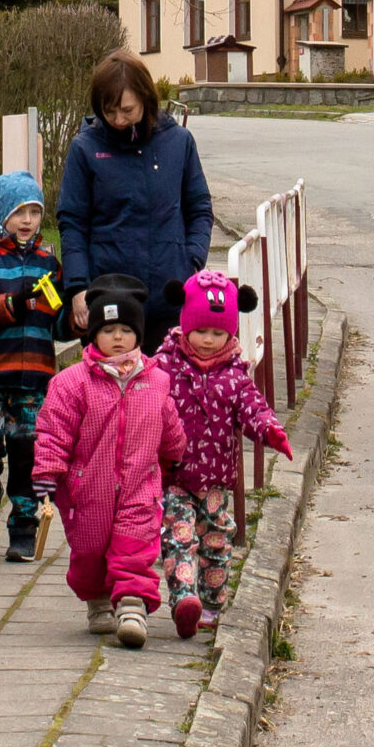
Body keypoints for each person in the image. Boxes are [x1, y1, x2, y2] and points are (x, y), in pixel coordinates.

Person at [32, 275, 185, 649]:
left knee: (134, 547)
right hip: (87, 489)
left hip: (139, 485)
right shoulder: (72, 383)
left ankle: (132, 606)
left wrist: (176, 456)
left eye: (126, 330)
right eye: (108, 330)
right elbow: (54, 430)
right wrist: (48, 472)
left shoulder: (156, 380)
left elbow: (169, 423)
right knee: (89, 553)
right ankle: (98, 598)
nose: (118, 337)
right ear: (93, 334)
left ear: (138, 334)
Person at [156, 271, 291, 638]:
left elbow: (252, 408)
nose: (208, 340)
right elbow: (146, 400)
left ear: (230, 334)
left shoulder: (235, 374)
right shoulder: (165, 366)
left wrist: (270, 431)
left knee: (216, 539)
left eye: (218, 333)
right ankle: (184, 599)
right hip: (175, 475)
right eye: (200, 331)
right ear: (185, 326)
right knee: (178, 536)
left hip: (216, 478)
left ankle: (211, 603)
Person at [58, 53, 214, 353]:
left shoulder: (179, 142)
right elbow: (72, 222)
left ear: (145, 98)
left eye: (127, 110)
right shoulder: (84, 149)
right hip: (108, 304)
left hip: (168, 299)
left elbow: (200, 209)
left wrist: (191, 261)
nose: (118, 120)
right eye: (109, 111)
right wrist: (77, 287)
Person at [0, 167, 64, 562]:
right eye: (19, 212)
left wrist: (76, 317)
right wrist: (9, 304)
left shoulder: (48, 263)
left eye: (34, 212)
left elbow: (57, 321)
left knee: (27, 454)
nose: (27, 221)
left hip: (34, 377)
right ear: (2, 215)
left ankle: (23, 526)